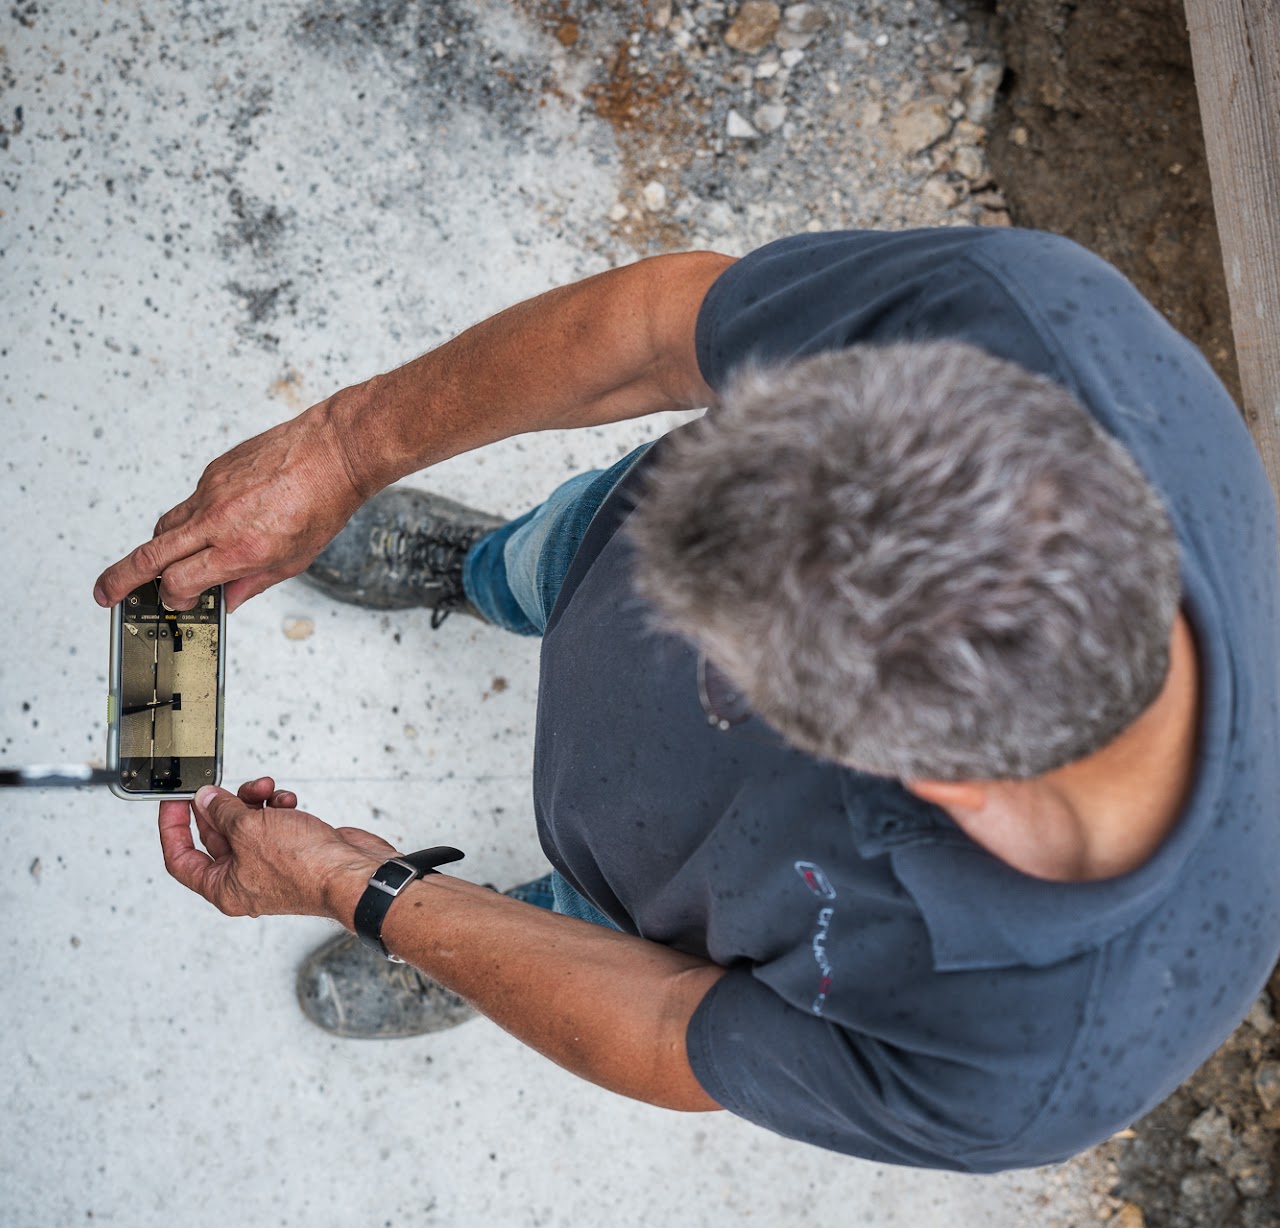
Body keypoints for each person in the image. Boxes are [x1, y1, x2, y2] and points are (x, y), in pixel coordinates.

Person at [93, 228, 1280, 1173]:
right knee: (560, 551)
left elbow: (675, 1025)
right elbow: (665, 332)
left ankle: (488, 937)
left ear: (927, 776)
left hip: (670, 921)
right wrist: (345, 448)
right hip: (603, 566)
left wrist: (370, 893)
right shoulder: (1023, 317)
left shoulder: (1017, 1070)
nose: (663, 639)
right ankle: (482, 569)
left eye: (721, 671)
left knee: (603, 928)